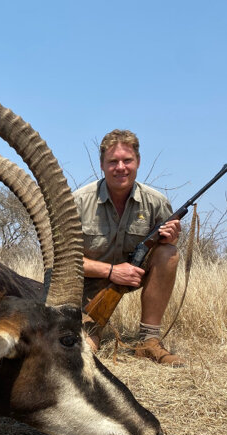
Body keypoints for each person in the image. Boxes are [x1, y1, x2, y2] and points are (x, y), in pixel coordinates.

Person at [73, 129, 185, 366]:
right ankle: (91, 329)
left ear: (138, 162)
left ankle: (149, 341)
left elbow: (163, 248)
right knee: (85, 350)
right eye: (113, 161)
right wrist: (112, 272)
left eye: (127, 160)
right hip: (86, 284)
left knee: (169, 253)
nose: (120, 167)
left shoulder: (156, 202)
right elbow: (61, 261)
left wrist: (171, 239)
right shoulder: (78, 202)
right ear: (102, 165)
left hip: (135, 278)